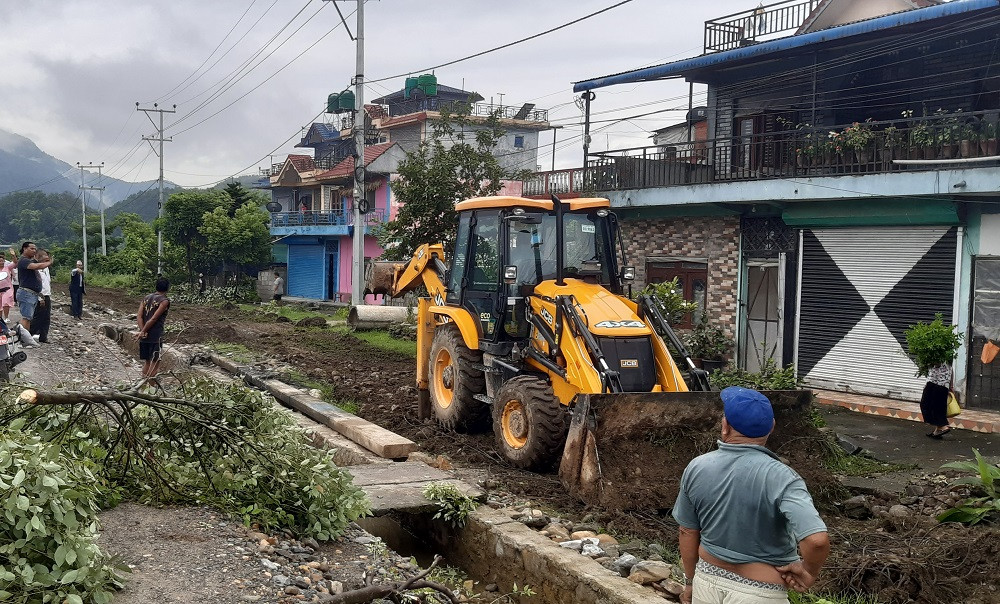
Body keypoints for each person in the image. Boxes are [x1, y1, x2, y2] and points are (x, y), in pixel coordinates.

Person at [673, 386, 830, 604]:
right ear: (771, 428)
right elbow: (816, 541)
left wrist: (690, 582)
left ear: (725, 427)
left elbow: (687, 530)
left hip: (707, 582)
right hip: (759, 593)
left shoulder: (697, 467)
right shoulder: (784, 478)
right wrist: (808, 572)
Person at [137, 277, 170, 386]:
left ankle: (142, 385)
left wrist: (142, 331)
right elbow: (154, 318)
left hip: (145, 336)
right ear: (167, 288)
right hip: (155, 335)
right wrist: (144, 330)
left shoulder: (146, 298)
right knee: (155, 361)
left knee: (147, 361)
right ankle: (150, 387)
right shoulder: (164, 301)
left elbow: (139, 316)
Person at [16, 241, 52, 336]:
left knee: (29, 317)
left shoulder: (29, 260)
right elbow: (36, 266)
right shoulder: (24, 261)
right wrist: (48, 262)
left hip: (32, 294)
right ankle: (24, 338)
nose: (34, 250)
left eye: (35, 249)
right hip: (26, 293)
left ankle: (26, 338)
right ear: (24, 249)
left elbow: (37, 263)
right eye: (31, 248)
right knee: (26, 317)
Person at [920, 363, 952, 438]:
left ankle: (943, 426)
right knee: (938, 405)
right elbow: (951, 369)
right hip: (944, 383)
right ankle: (938, 430)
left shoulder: (938, 354)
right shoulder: (949, 356)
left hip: (935, 382)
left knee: (926, 404)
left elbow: (937, 363)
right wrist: (951, 385)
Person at [29, 249, 52, 343]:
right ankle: (29, 335)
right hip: (40, 296)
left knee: (46, 318)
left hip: (47, 295)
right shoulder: (35, 269)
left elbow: (47, 283)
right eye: (44, 257)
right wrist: (40, 298)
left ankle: (43, 336)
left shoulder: (46, 269)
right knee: (38, 317)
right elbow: (37, 285)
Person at [0, 254, 14, 320]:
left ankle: (6, 317)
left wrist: (13, 255)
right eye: (0, 261)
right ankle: (0, 319)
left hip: (7, 289)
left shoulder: (8, 267)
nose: (1, 262)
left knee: (5, 302)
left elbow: (15, 262)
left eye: (2, 261)